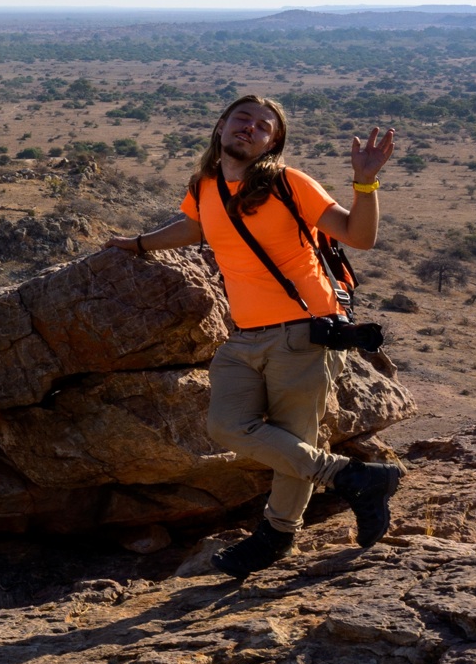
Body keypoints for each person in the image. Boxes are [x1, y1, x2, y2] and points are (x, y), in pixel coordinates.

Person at [100, 94, 405, 577]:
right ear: (222, 125)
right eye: (243, 118)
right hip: (245, 335)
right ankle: (355, 478)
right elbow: (193, 227)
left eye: (264, 126)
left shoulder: (289, 183)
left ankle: (277, 536)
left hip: (305, 331)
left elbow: (358, 236)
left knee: (295, 439)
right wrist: (138, 244)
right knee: (226, 426)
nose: (250, 128)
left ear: (272, 144)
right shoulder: (205, 186)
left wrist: (364, 183)